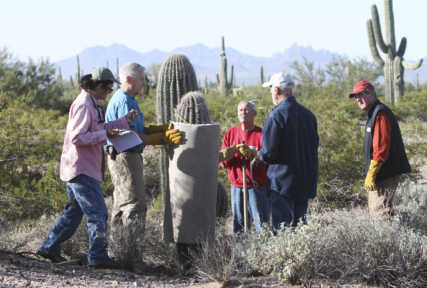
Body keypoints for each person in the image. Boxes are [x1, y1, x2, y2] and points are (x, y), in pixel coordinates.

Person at [37, 67, 137, 268]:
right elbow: (78, 137)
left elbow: (97, 129)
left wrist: (123, 122)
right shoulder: (84, 104)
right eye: (108, 89)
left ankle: (49, 247)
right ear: (98, 86)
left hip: (80, 168)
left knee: (73, 213)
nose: (108, 93)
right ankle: (98, 258)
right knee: (98, 213)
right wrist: (107, 135)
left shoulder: (91, 103)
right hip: (81, 169)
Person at [105, 62, 182, 271]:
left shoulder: (127, 100)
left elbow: (136, 129)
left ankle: (120, 253)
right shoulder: (124, 101)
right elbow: (129, 135)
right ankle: (133, 259)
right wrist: (157, 138)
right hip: (126, 156)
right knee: (134, 206)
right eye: (141, 79)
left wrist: (155, 131)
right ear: (129, 79)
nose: (144, 83)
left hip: (124, 155)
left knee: (123, 205)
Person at [255, 72, 319, 232]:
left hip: (281, 184)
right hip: (304, 182)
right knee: (300, 231)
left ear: (276, 90)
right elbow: (314, 145)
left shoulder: (276, 116)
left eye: (270, 88)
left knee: (283, 231)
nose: (270, 92)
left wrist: (257, 157)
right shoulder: (309, 115)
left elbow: (269, 152)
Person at [348, 81, 410, 216]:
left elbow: (381, 147)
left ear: (370, 93)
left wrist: (372, 173)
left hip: (385, 173)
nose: (358, 99)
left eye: (360, 95)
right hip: (380, 173)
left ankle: (387, 237)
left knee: (380, 213)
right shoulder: (374, 113)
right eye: (355, 96)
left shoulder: (381, 113)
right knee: (378, 212)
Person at [219, 101, 271, 233]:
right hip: (237, 186)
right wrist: (227, 155)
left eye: (247, 110)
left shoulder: (261, 134)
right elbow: (223, 163)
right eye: (241, 110)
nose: (243, 113)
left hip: (256, 186)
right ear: (237, 114)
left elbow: (268, 161)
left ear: (254, 113)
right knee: (239, 223)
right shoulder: (231, 133)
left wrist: (254, 155)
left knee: (261, 222)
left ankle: (263, 251)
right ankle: (240, 251)